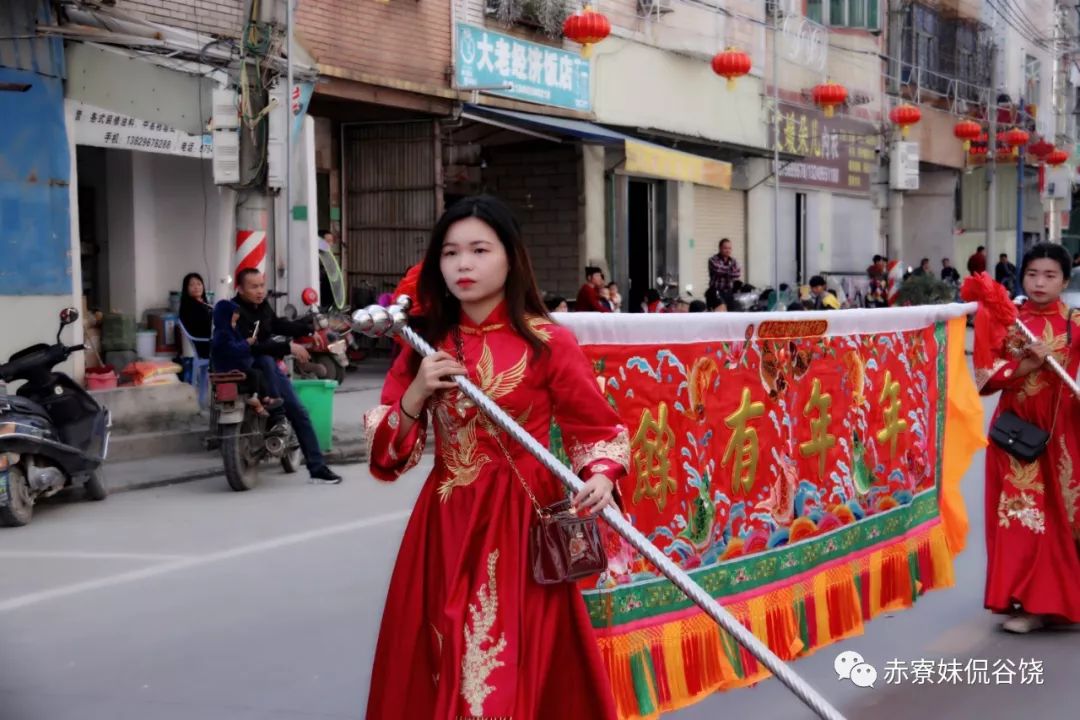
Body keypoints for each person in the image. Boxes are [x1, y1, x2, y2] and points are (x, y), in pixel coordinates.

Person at [363, 195, 628, 718]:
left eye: (480, 250)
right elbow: (389, 456)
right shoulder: (424, 343)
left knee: (499, 660)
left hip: (520, 525)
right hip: (445, 522)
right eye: (451, 252)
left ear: (510, 257)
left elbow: (595, 428)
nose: (464, 264)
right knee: (444, 645)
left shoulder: (548, 341)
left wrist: (599, 474)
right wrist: (417, 391)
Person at [976, 242, 1080, 633]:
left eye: (1050, 275)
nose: (1039, 282)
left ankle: (1063, 600)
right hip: (1016, 437)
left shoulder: (1075, 323)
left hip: (1066, 434)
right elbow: (984, 380)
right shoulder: (1006, 320)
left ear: (1064, 281)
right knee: (1025, 520)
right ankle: (1031, 605)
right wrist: (1027, 364)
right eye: (1033, 274)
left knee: (1067, 519)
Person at [232, 268, 342, 484]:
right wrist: (288, 347)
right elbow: (254, 347)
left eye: (262, 285)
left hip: (268, 369)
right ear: (240, 289)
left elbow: (276, 324)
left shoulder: (261, 306)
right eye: (253, 287)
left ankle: (317, 468)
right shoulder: (235, 312)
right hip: (247, 369)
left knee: (300, 413)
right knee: (264, 359)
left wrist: (307, 329)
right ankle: (278, 417)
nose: (260, 291)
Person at [210, 300, 282, 416]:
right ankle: (257, 400)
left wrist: (250, 341)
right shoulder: (222, 333)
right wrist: (247, 343)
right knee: (255, 374)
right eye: (233, 313)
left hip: (236, 365)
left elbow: (239, 346)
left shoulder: (230, 330)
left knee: (259, 372)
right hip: (228, 368)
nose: (237, 315)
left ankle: (265, 398)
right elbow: (233, 349)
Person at [179, 272, 212, 359]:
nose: (196, 287)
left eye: (199, 284)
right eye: (192, 285)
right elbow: (204, 328)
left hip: (209, 342)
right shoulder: (190, 307)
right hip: (204, 345)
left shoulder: (203, 305)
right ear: (186, 288)